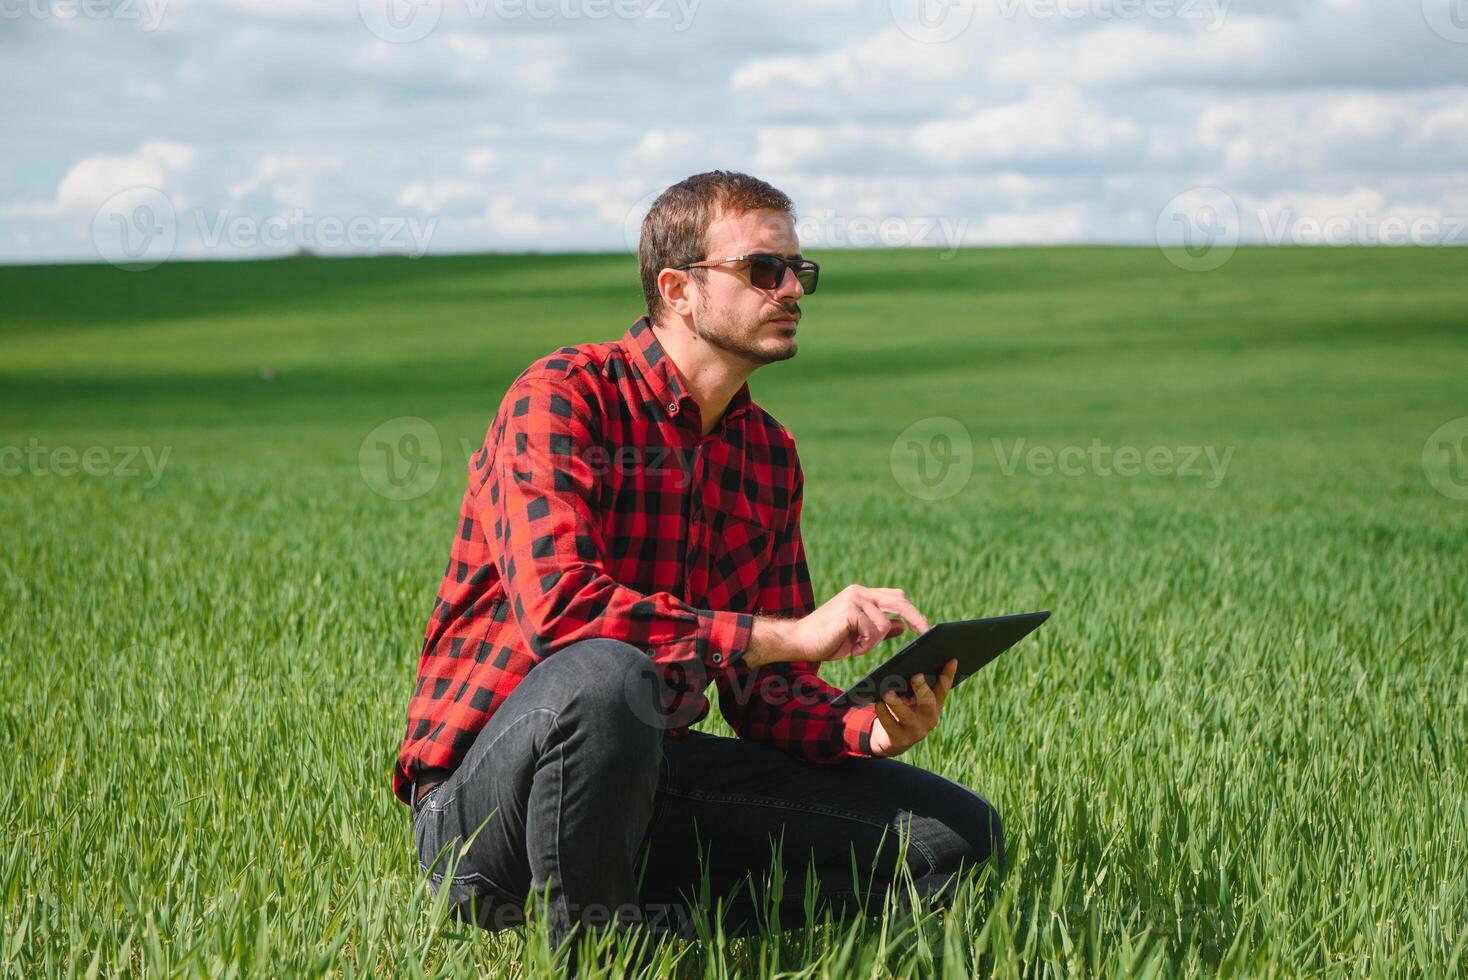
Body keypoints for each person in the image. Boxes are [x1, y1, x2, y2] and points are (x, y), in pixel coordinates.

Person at [391, 170, 1003, 963]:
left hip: (649, 783)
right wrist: (777, 634)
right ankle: (600, 952)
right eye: (763, 270)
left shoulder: (767, 456)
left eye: (799, 272)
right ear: (678, 289)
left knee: (953, 836)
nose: (792, 290)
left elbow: (765, 695)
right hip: (481, 816)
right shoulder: (561, 398)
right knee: (610, 675)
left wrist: (869, 726)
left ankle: (668, 928)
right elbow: (562, 615)